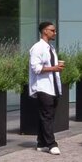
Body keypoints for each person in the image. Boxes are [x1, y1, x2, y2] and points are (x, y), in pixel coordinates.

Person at [28, 20, 65, 155]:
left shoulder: (51, 48)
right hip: (43, 87)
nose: (55, 32)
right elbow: (36, 68)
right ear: (45, 31)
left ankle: (41, 142)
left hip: (53, 86)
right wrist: (54, 68)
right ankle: (51, 144)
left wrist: (56, 69)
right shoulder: (37, 48)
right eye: (52, 30)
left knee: (46, 115)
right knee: (47, 115)